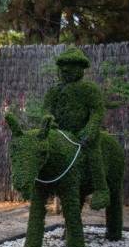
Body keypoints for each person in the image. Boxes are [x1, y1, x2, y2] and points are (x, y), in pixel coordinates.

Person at [43, 47, 109, 209]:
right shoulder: (54, 90)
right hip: (59, 134)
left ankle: (101, 189)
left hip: (82, 134)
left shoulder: (89, 89)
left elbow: (97, 111)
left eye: (71, 65)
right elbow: (46, 110)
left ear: (81, 68)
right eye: (63, 65)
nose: (65, 69)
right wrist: (49, 120)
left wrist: (90, 129)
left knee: (93, 152)